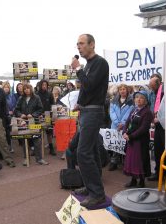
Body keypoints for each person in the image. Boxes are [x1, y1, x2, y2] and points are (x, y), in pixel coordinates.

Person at [70, 34, 109, 208]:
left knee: (82, 153)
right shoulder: (89, 65)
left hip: (93, 113)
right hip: (86, 110)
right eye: (77, 44)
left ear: (92, 45)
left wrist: (78, 69)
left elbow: (90, 85)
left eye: (82, 44)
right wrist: (80, 103)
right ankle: (91, 186)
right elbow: (88, 89)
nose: (79, 47)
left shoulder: (100, 63)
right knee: (91, 152)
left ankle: (98, 194)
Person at [123, 91, 153, 188]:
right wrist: (124, 132)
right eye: (137, 97)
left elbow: (143, 128)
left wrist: (130, 136)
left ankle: (142, 181)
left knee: (140, 160)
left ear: (145, 100)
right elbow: (127, 122)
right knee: (132, 161)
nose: (138, 99)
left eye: (141, 98)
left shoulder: (147, 112)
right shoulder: (134, 110)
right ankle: (133, 180)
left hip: (140, 141)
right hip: (131, 140)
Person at [14, 83, 49, 166]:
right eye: (25, 89)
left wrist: (33, 115)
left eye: (28, 88)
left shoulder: (36, 98)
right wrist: (20, 115)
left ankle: (39, 159)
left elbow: (41, 109)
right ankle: (26, 158)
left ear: (31, 89)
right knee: (25, 141)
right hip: (23, 123)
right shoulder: (21, 98)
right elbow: (16, 110)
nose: (26, 90)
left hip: (34, 122)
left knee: (37, 141)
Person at [109, 84, 134, 171]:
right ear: (118, 91)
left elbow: (129, 113)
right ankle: (114, 162)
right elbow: (111, 112)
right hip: (115, 126)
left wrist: (122, 123)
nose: (122, 91)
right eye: (121, 89)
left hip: (125, 126)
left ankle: (125, 163)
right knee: (115, 144)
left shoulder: (131, 101)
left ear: (127, 90)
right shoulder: (113, 101)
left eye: (124, 89)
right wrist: (117, 123)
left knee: (124, 144)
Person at [37, 80, 56, 156]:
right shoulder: (36, 94)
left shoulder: (50, 94)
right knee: (38, 132)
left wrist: (52, 113)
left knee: (49, 132)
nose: (44, 86)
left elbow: (53, 105)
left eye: (46, 85)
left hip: (48, 115)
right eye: (43, 85)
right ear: (40, 85)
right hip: (38, 115)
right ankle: (37, 149)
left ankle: (51, 148)